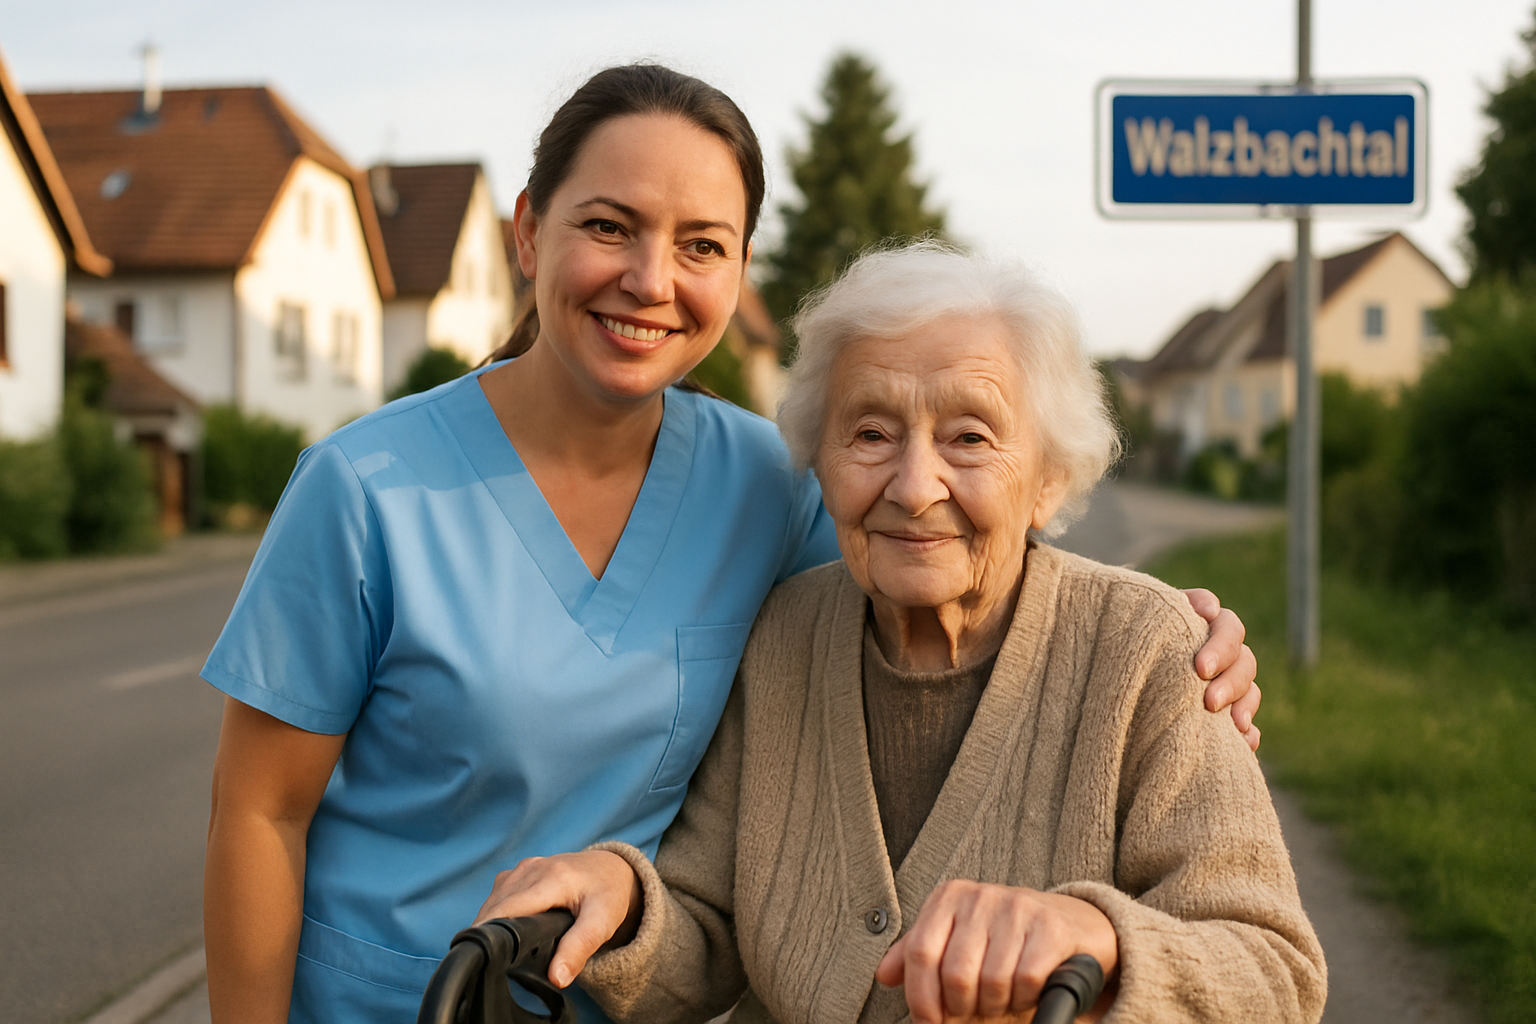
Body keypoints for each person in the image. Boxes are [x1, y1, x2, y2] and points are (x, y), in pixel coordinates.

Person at [201, 66, 1261, 1024]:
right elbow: (258, 812)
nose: (650, 279)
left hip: (616, 998)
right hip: (398, 996)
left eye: (701, 245)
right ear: (527, 233)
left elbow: (955, 560)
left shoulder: (770, 482)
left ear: (741, 268)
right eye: (608, 226)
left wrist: (1180, 636)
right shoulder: (364, 486)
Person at [475, 244, 1325, 1024]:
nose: (915, 486)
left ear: (1048, 478)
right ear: (821, 462)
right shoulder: (782, 638)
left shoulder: (1150, 652)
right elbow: (711, 923)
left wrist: (1100, 939)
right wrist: (622, 899)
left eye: (970, 437)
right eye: (872, 434)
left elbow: (1276, 972)